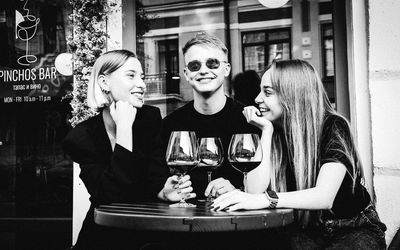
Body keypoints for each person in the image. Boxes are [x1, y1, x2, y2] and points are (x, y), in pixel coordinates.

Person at [211, 59, 387, 249]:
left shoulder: (333, 125)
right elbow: (254, 191)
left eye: (267, 92)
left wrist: (265, 199)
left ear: (293, 95)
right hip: (305, 230)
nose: (257, 99)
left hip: (354, 228)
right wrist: (266, 132)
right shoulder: (273, 130)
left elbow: (324, 197)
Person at [62, 49, 194, 250]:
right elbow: (111, 198)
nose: (142, 84)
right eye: (131, 76)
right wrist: (124, 129)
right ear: (104, 82)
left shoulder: (149, 119)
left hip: (148, 237)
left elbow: (155, 176)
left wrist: (163, 191)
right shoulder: (82, 137)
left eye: (142, 77)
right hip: (104, 239)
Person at [162, 32, 260, 200]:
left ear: (226, 69)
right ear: (186, 74)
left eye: (212, 64)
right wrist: (164, 193)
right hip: (185, 220)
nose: (203, 71)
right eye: (195, 66)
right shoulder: (170, 125)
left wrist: (240, 190)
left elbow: (266, 181)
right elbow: (154, 180)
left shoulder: (249, 121)